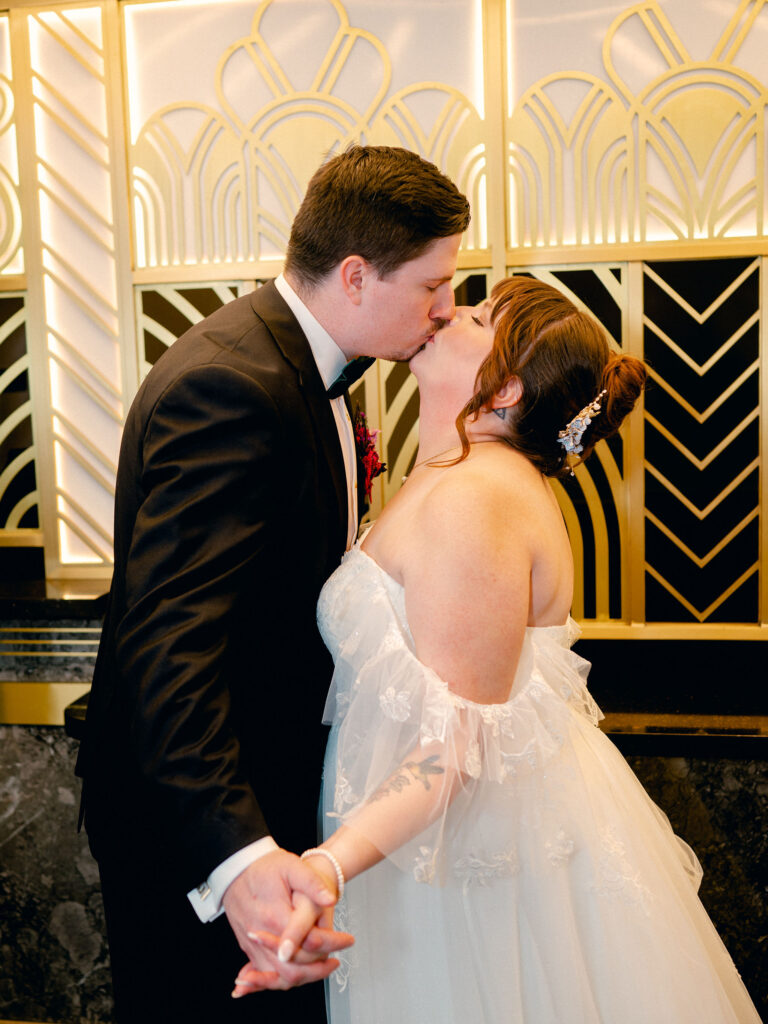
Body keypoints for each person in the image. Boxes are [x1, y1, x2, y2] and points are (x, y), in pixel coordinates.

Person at [241, 276, 762, 1022]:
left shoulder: (477, 499)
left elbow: (452, 744)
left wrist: (327, 865)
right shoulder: (457, 474)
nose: (449, 311)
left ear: (507, 387)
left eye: (479, 317)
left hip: (464, 856)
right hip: (420, 838)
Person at [74, 144, 470, 1024]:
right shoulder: (231, 385)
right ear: (358, 276)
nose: (445, 312)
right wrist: (238, 853)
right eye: (433, 286)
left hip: (269, 782)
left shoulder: (307, 365)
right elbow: (167, 645)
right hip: (194, 818)